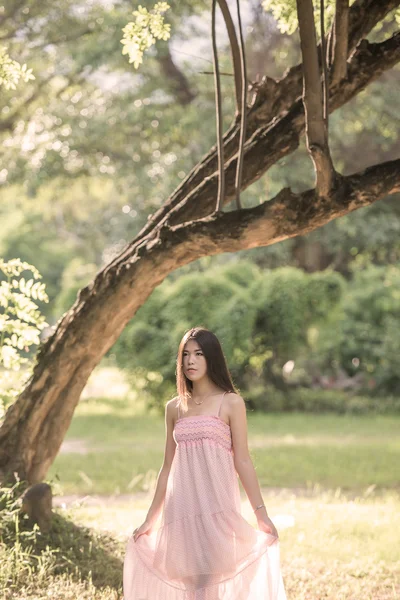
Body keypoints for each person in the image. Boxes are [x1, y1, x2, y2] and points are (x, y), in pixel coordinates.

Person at [123, 326, 287, 599]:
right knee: (192, 583)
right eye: (185, 354)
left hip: (216, 506)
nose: (190, 361)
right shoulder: (174, 408)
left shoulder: (231, 403)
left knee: (209, 580)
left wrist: (260, 513)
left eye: (198, 354)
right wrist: (150, 520)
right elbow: (166, 467)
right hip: (182, 507)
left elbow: (243, 460)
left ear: (211, 358)